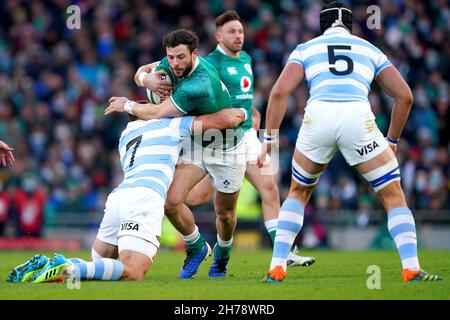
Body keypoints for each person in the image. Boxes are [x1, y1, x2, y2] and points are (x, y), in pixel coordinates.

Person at [258, 1, 442, 283]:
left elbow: (280, 92)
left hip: (317, 116)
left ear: (322, 24)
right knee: (393, 194)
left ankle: (277, 266)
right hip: (358, 116)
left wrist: (269, 138)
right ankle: (411, 268)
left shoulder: (306, 48)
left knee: (298, 192)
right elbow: (405, 96)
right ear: (350, 25)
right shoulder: (369, 48)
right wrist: (391, 139)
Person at [7, 102, 247, 283]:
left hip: (119, 197)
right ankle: (68, 265)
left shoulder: (127, 134)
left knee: (100, 268)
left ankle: (49, 264)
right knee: (133, 271)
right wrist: (244, 113)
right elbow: (223, 120)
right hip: (144, 197)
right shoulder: (169, 125)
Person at [105, 29, 247, 279]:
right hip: (197, 142)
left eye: (180, 57)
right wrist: (147, 80)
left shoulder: (198, 83)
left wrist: (127, 105)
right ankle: (196, 247)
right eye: (170, 57)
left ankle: (222, 256)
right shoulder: (169, 63)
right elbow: (141, 71)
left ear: (194, 54)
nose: (174, 64)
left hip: (227, 146)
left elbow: (159, 113)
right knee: (171, 201)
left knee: (225, 215)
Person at [182, 10, 315, 267]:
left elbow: (245, 96)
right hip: (220, 139)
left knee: (270, 188)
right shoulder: (212, 64)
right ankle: (197, 240)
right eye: (232, 31)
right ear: (218, 35)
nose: (238, 36)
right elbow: (206, 100)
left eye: (240, 31)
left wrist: (253, 113)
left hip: (247, 135)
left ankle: (283, 251)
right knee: (197, 199)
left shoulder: (246, 58)